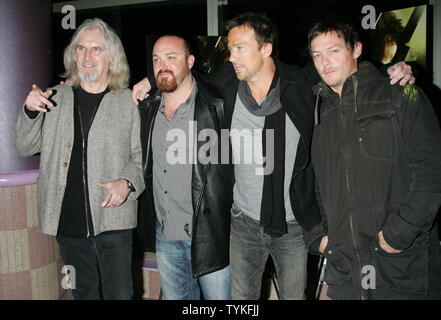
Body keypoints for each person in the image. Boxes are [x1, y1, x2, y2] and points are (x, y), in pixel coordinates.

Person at [132, 12, 414, 300]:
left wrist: (391, 70)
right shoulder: (227, 85)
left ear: (266, 49)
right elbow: (186, 79)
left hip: (292, 226)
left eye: (240, 48)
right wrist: (151, 81)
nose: (231, 57)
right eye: (230, 50)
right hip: (242, 224)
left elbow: (342, 70)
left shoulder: (300, 84)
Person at [306, 19, 441, 299]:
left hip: (400, 267)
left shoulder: (401, 94)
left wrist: (399, 234)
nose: (325, 62)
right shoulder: (322, 114)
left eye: (333, 51)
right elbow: (320, 184)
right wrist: (321, 237)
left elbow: (432, 174)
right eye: (317, 55)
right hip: (345, 270)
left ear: (356, 49)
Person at [13, 18, 145, 300]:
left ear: (111, 56)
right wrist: (30, 111)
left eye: (96, 49)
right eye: (81, 49)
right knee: (82, 294)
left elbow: (142, 158)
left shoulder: (128, 102)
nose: (87, 57)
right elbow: (24, 146)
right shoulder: (55, 98)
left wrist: (128, 184)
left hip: (114, 220)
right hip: (68, 223)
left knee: (120, 295)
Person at [136, 35, 232, 300]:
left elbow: (232, 69)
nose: (162, 65)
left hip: (210, 237)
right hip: (165, 237)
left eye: (171, 57)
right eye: (156, 60)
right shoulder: (147, 108)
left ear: (190, 61)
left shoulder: (216, 104)